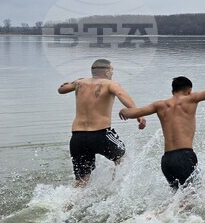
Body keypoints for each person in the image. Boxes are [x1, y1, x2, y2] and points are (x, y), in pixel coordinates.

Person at [119, 70, 205, 191]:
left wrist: (123, 110)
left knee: (179, 199)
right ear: (189, 90)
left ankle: (162, 211)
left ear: (172, 91)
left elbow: (133, 113)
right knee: (191, 197)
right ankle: (157, 211)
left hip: (167, 160)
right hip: (184, 156)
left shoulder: (159, 105)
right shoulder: (191, 99)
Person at [58, 59, 146, 188]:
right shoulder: (110, 84)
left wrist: (77, 81)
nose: (112, 71)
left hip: (77, 137)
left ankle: (65, 207)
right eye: (111, 69)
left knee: (81, 181)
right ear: (106, 71)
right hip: (100, 134)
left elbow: (61, 90)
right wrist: (138, 114)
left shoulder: (79, 83)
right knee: (123, 159)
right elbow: (121, 94)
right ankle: (115, 189)